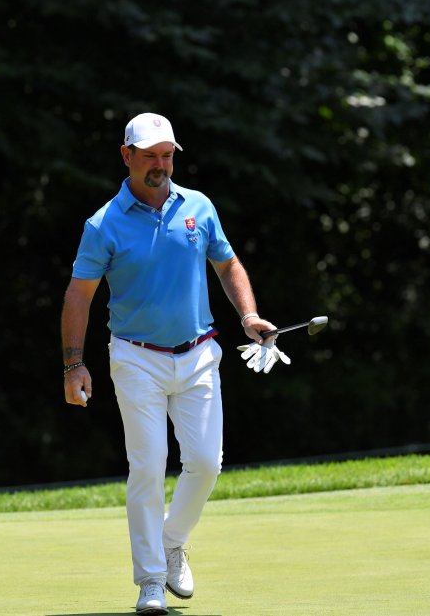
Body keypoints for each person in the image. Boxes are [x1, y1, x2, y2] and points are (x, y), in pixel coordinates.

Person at [61, 112, 290, 615]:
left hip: (199, 352)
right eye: (149, 156)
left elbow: (227, 264)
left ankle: (171, 542)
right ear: (126, 156)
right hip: (136, 357)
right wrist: (74, 364)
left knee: (206, 463)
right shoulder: (103, 224)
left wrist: (248, 315)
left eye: (167, 156)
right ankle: (150, 581)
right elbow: (79, 295)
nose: (160, 165)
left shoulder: (199, 206)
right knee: (147, 467)